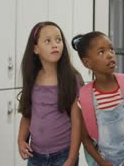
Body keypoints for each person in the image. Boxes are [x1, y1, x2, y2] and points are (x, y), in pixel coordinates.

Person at [72, 31, 124, 166]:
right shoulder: (84, 98)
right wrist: (101, 162)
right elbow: (85, 139)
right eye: (101, 52)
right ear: (87, 63)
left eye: (111, 49)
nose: (110, 55)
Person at [17, 21, 83, 166]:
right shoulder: (32, 78)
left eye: (58, 40)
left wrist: (72, 158)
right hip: (35, 156)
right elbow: (27, 115)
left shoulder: (72, 79)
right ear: (35, 48)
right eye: (48, 41)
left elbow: (77, 123)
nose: (55, 44)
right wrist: (21, 140)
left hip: (63, 155)